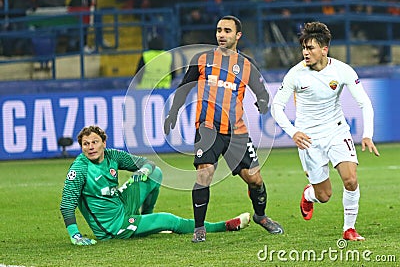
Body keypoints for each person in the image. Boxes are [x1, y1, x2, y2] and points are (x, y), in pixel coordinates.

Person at [163, 15, 284, 243]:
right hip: (207, 128)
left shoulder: (247, 65)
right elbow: (183, 87)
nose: (221, 34)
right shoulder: (202, 59)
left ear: (237, 35)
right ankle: (199, 228)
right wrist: (173, 112)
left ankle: (260, 216)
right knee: (204, 173)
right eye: (219, 30)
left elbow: (261, 90)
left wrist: (264, 103)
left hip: (236, 132)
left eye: (227, 31)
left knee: (255, 180)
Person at [271, 21, 380, 241]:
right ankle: (308, 194)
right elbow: (276, 106)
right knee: (324, 195)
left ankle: (349, 229)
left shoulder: (342, 70)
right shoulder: (295, 74)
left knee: (350, 180)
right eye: (303, 48)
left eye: (310, 48)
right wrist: (293, 132)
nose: (305, 53)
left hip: (337, 131)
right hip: (309, 139)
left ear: (324, 49)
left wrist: (367, 134)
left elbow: (365, 103)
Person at [60, 125, 250, 245]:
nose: (90, 147)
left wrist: (141, 173)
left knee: (155, 174)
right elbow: (67, 204)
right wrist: (74, 234)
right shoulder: (80, 169)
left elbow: (148, 164)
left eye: (94, 142)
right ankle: (225, 226)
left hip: (122, 204)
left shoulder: (113, 156)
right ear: (81, 147)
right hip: (112, 226)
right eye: (85, 144)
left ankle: (146, 219)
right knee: (169, 220)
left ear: (103, 143)